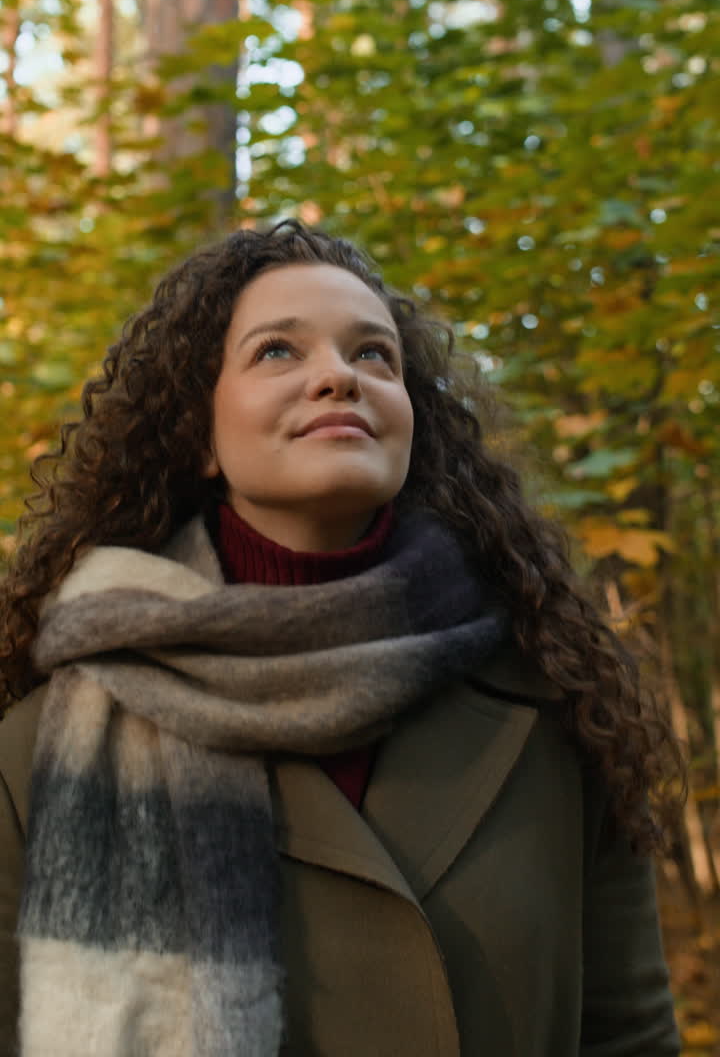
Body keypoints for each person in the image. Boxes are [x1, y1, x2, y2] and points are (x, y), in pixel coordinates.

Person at [0, 220, 682, 1057]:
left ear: (412, 420)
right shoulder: (44, 750)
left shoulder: (559, 697)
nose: (338, 377)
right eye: (278, 353)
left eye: (373, 356)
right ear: (197, 436)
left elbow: (631, 1036)